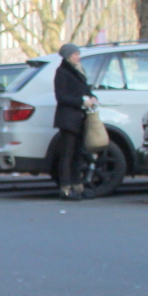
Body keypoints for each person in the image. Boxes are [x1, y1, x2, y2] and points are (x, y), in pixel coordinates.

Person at [53, 43, 96, 200]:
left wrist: (91, 96)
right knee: (67, 154)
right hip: (68, 118)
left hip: (80, 117)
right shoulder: (62, 72)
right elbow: (61, 97)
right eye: (76, 54)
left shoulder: (78, 69)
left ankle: (78, 186)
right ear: (68, 56)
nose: (78, 57)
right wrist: (81, 102)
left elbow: (84, 89)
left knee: (78, 154)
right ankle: (65, 188)